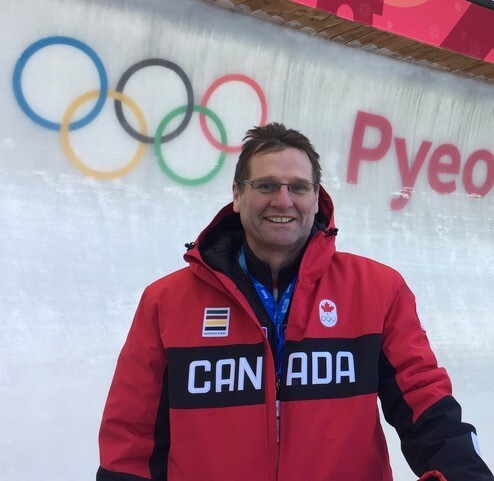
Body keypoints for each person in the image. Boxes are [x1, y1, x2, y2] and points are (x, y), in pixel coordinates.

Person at [97, 122, 493, 481]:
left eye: (298, 187)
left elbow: (426, 406)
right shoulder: (166, 302)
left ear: (317, 197)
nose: (283, 201)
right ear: (237, 195)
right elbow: (132, 438)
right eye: (266, 185)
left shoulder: (377, 290)